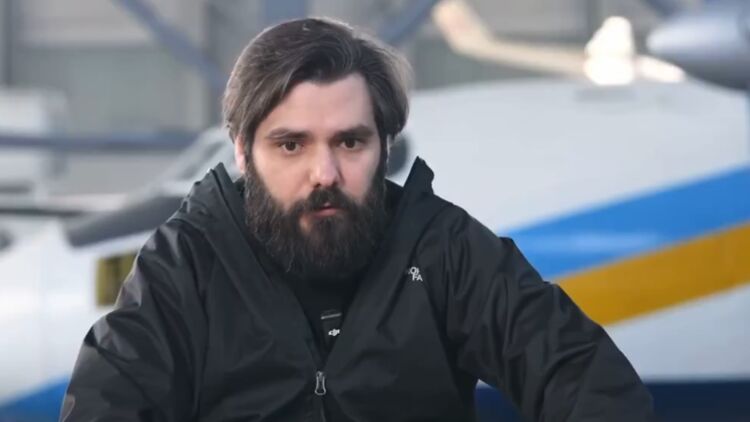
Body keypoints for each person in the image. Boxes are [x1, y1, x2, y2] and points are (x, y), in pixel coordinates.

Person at [61, 17, 654, 422]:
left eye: (350, 142)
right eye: (291, 145)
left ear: (385, 145)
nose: (325, 173)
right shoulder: (188, 262)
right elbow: (104, 405)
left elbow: (588, 381)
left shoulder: (442, 249)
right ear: (242, 152)